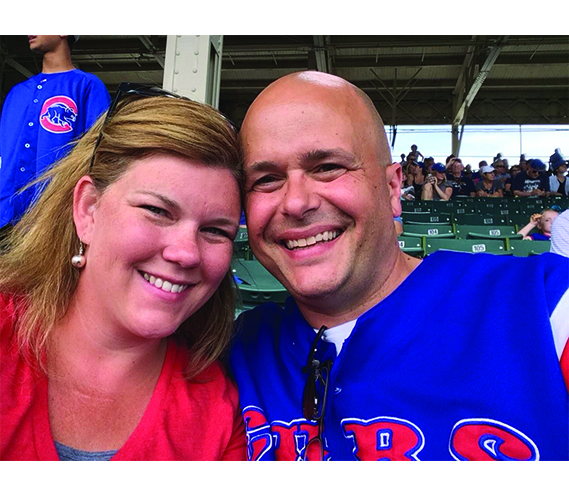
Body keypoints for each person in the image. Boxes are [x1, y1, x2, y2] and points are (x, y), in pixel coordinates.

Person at [229, 71, 569, 461]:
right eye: (267, 179)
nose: (295, 202)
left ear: (393, 189)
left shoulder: (542, 306)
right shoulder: (231, 352)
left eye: (327, 167)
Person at [0, 83, 246, 461]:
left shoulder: (220, 414)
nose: (185, 253)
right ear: (88, 210)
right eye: (158, 211)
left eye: (215, 230)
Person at [0, 35, 110, 236]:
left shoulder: (87, 86)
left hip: (54, 219)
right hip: (5, 218)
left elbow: (98, 154)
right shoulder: (17, 93)